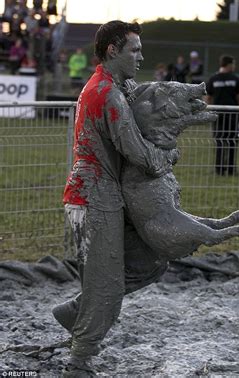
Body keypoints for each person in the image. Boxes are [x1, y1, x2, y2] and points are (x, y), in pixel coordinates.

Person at [56, 20, 176, 376]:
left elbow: (149, 100)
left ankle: (76, 312)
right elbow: (138, 153)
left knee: (151, 260)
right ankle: (79, 359)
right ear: (113, 50)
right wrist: (168, 157)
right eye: (134, 50)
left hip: (107, 193)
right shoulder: (106, 93)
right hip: (93, 195)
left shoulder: (118, 87)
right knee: (106, 284)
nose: (141, 56)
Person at [206, 54, 239, 176]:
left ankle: (219, 169)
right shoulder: (235, 79)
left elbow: (207, 98)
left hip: (217, 115)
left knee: (219, 141)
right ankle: (231, 169)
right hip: (233, 115)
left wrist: (208, 112)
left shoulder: (213, 79)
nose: (234, 66)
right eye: (233, 64)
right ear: (229, 65)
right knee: (232, 141)